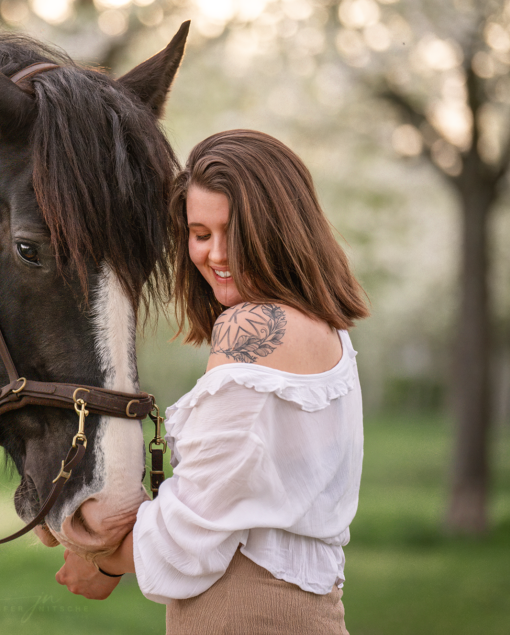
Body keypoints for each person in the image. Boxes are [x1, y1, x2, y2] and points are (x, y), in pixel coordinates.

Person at [55, 129, 370, 634]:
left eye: (233, 234)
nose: (216, 255)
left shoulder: (249, 328)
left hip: (247, 616)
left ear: (279, 230)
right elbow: (235, 494)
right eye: (200, 234)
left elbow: (195, 529)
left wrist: (102, 560)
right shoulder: (324, 329)